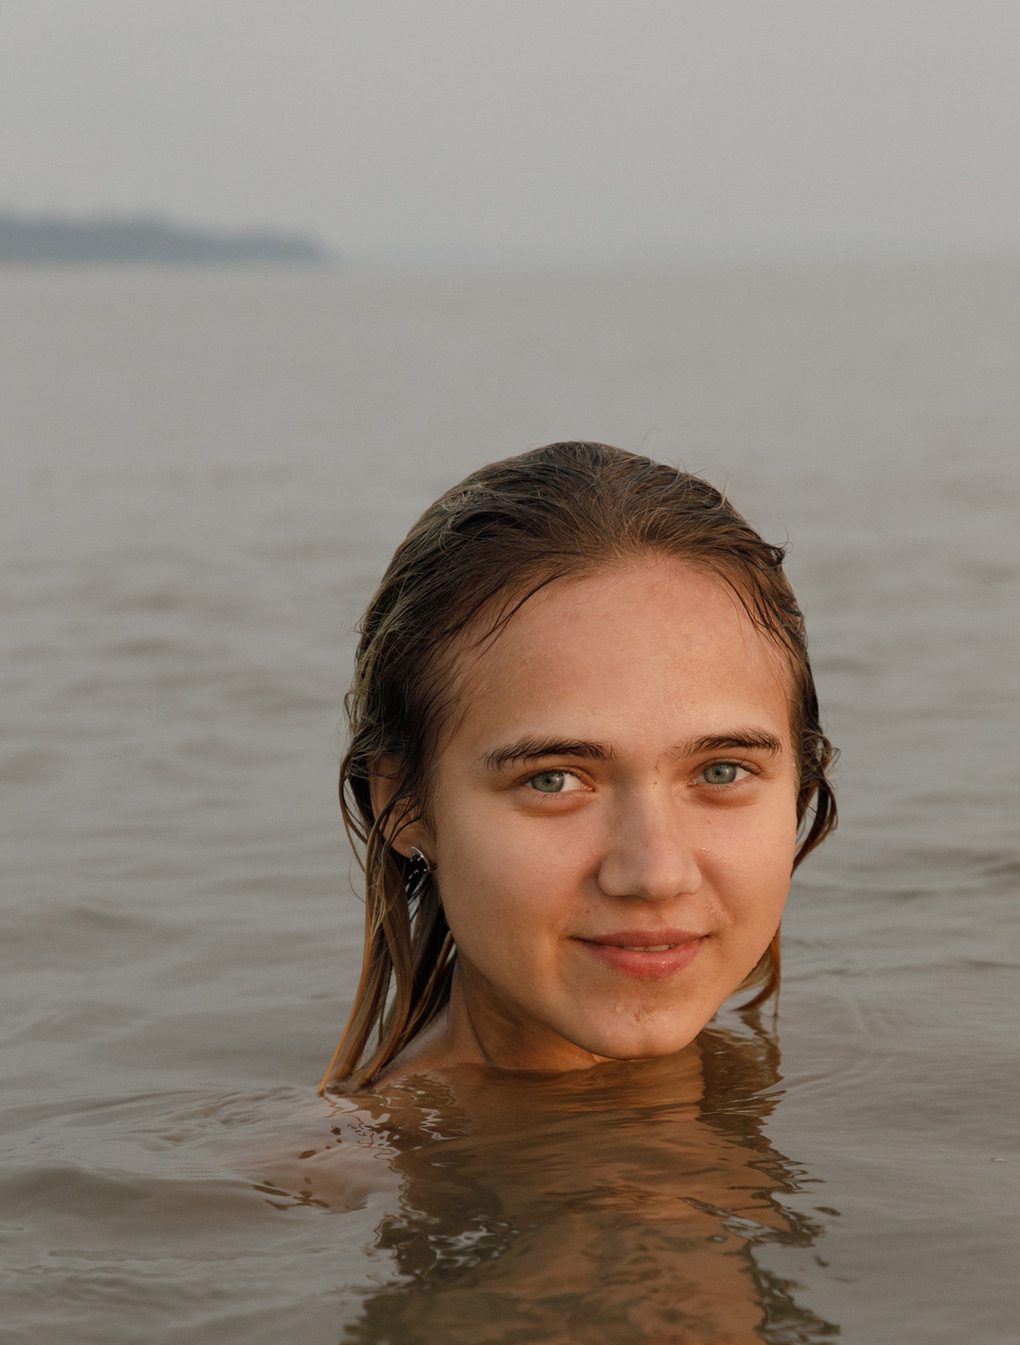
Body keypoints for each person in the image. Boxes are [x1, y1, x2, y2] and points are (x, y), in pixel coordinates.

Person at [321, 440, 836, 1093]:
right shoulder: (317, 1188)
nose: (654, 874)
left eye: (720, 772)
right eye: (553, 779)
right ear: (408, 801)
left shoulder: (861, 1093)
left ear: (801, 779)